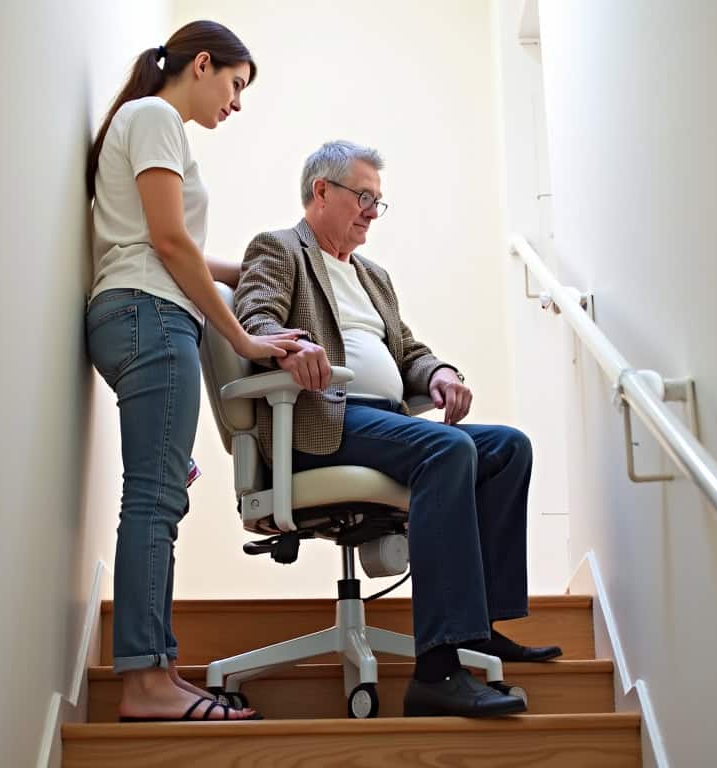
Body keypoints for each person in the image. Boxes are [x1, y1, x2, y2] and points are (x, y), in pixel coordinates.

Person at [234, 140, 562, 718]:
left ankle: (477, 629)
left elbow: (408, 348)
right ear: (321, 192)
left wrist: (438, 373)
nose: (370, 211)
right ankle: (436, 671)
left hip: (386, 423)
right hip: (323, 421)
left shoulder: (373, 275)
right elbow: (254, 315)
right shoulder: (281, 249)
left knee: (508, 447)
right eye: (363, 197)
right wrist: (291, 347)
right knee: (449, 449)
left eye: (377, 202)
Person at [85, 21, 302, 723]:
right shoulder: (154, 117)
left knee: (158, 499)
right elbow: (169, 243)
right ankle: (145, 684)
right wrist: (239, 330)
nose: (235, 104)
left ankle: (162, 672)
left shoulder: (147, 122)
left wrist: (253, 272)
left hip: (138, 312)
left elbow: (168, 243)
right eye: (235, 85)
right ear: (202, 64)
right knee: (154, 501)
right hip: (151, 317)